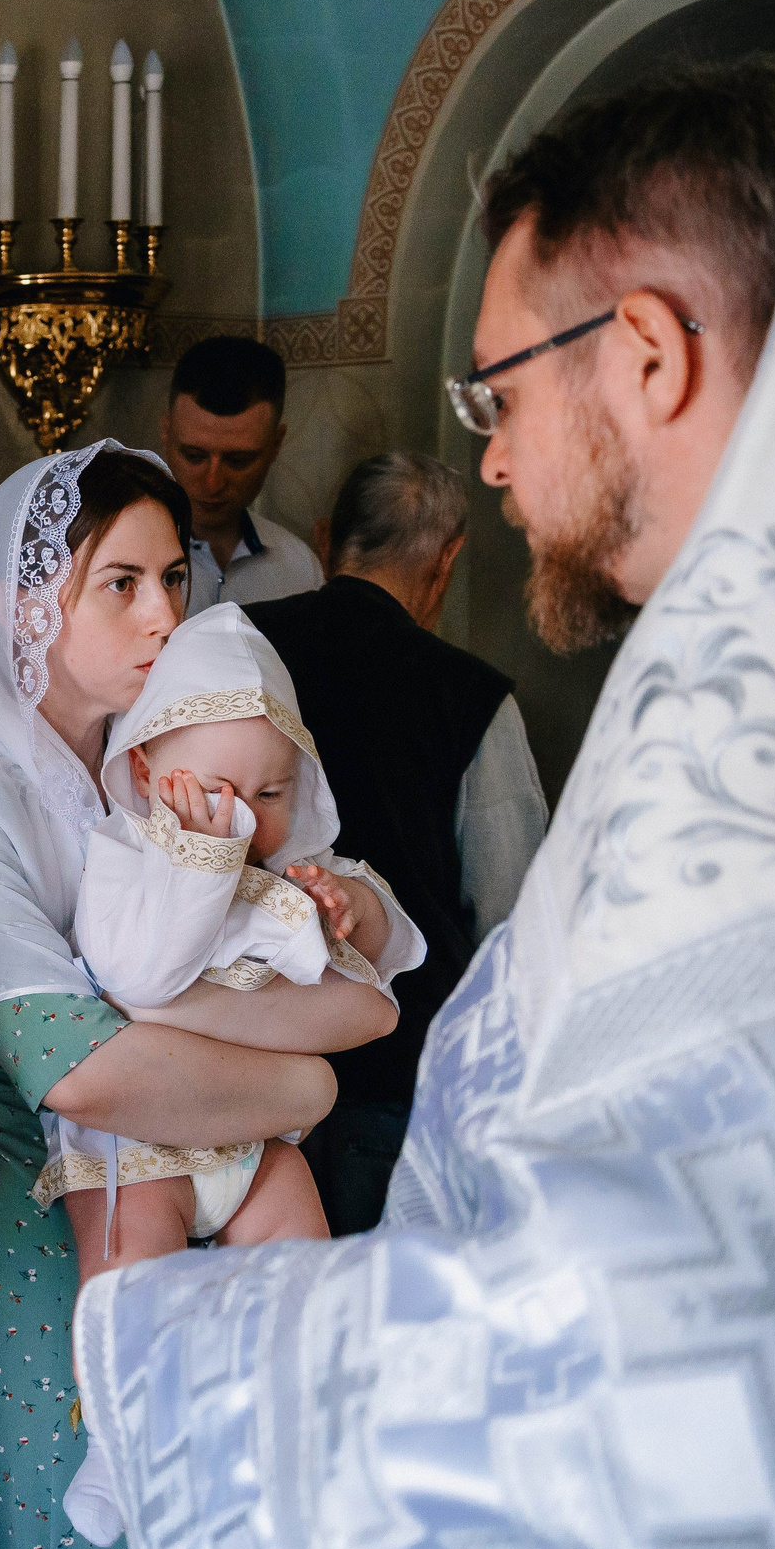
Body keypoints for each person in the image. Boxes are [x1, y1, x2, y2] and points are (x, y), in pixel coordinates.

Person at [75, 59, 775, 1549]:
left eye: (501, 390)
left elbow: (697, 1375)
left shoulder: (762, 721)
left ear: (645, 350)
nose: (494, 454)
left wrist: (196, 1355)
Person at [0, 440, 397, 1549]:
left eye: (175, 580)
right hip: (47, 1297)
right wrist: (300, 1083)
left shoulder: (171, 771)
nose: (163, 614)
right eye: (122, 582)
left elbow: (361, 1003)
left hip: (221, 1268)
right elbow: (80, 1068)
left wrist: (278, 1003)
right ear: (22, 604)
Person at [52, 603, 426, 1548]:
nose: (250, 820)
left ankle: (298, 1416)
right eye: (221, 791)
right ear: (145, 768)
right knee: (132, 1267)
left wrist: (358, 910)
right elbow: (143, 973)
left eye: (272, 792)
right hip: (145, 1140)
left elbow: (384, 972)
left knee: (301, 1261)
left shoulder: (297, 871)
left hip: (256, 1139)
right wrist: (200, 858)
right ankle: (126, 1445)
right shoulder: (129, 859)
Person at [248, 451, 548, 1232]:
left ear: (324, 537)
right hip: (400, 1077)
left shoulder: (238, 651)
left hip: (241, 1072)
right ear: (447, 560)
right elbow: (512, 924)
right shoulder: (473, 697)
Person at [160, 335, 324, 608]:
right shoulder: (118, 562)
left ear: (276, 445)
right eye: (194, 456)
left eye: (237, 460)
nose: (213, 483)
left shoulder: (300, 568)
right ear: (166, 434)